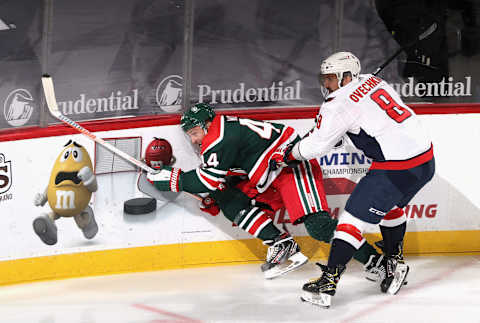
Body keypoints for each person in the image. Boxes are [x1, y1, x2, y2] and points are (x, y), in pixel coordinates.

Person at [146, 102, 384, 280]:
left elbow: (207, 179)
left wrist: (174, 179)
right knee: (224, 195)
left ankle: (377, 262)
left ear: (206, 126)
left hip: (291, 168)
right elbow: (225, 175)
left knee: (319, 227)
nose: (195, 141)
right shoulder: (222, 130)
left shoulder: (219, 137)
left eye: (194, 134)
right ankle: (281, 243)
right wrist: (218, 192)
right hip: (268, 174)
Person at [272, 51, 435, 307]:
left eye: (330, 78)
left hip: (396, 167)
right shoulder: (374, 80)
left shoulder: (337, 105)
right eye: (324, 78)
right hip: (425, 162)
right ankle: (394, 262)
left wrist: (289, 154)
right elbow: (369, 117)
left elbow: (315, 147)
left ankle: (327, 284)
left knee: (350, 223)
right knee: (390, 206)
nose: (325, 84)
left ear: (346, 76)